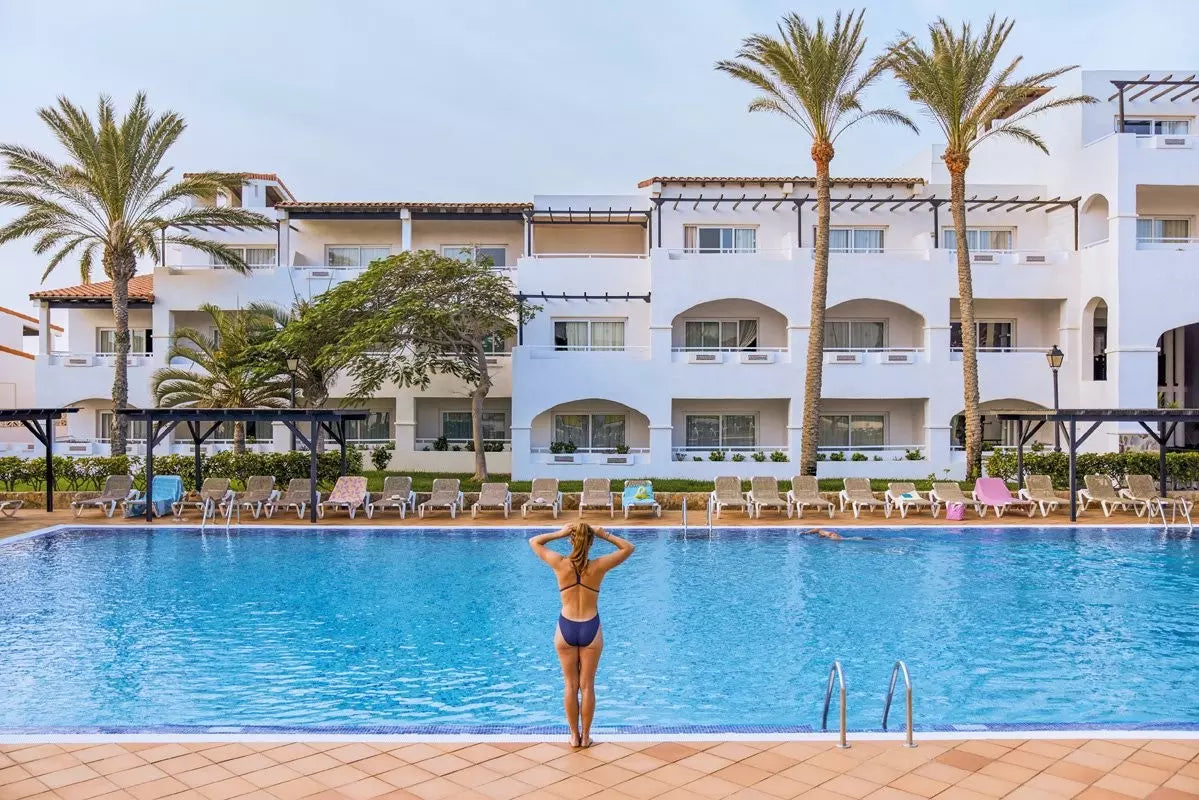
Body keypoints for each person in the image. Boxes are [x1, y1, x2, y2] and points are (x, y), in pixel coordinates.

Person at [528, 522, 635, 748]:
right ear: (591, 543)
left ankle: (573, 736)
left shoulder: (559, 564)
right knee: (587, 685)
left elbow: (534, 541)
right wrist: (602, 533)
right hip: (590, 627)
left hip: (566, 628)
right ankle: (586, 737)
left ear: (571, 540)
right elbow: (628, 548)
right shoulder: (598, 566)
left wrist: (560, 532)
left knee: (570, 684)